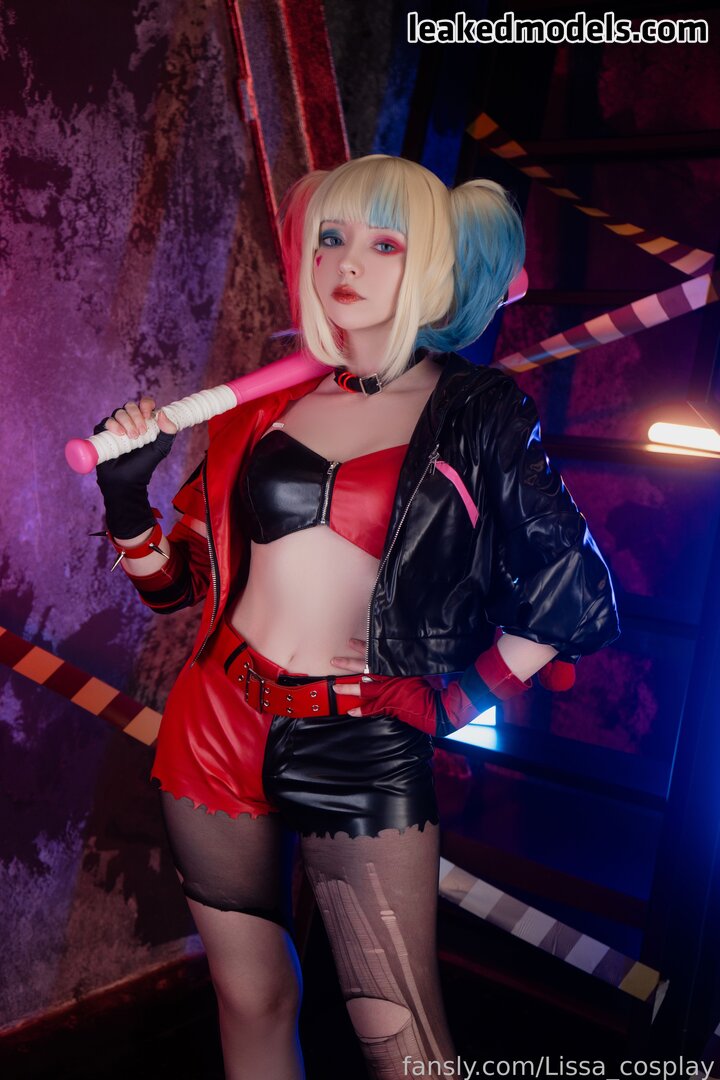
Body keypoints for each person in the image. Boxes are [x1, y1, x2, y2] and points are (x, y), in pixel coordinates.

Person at [94, 155, 619, 1080]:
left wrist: (452, 705)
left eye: (386, 243)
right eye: (332, 236)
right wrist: (126, 502)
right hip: (216, 722)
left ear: (436, 265)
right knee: (250, 997)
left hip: (361, 745)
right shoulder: (269, 404)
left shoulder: (478, 412)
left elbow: (570, 592)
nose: (347, 261)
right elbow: (176, 589)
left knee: (401, 1041)